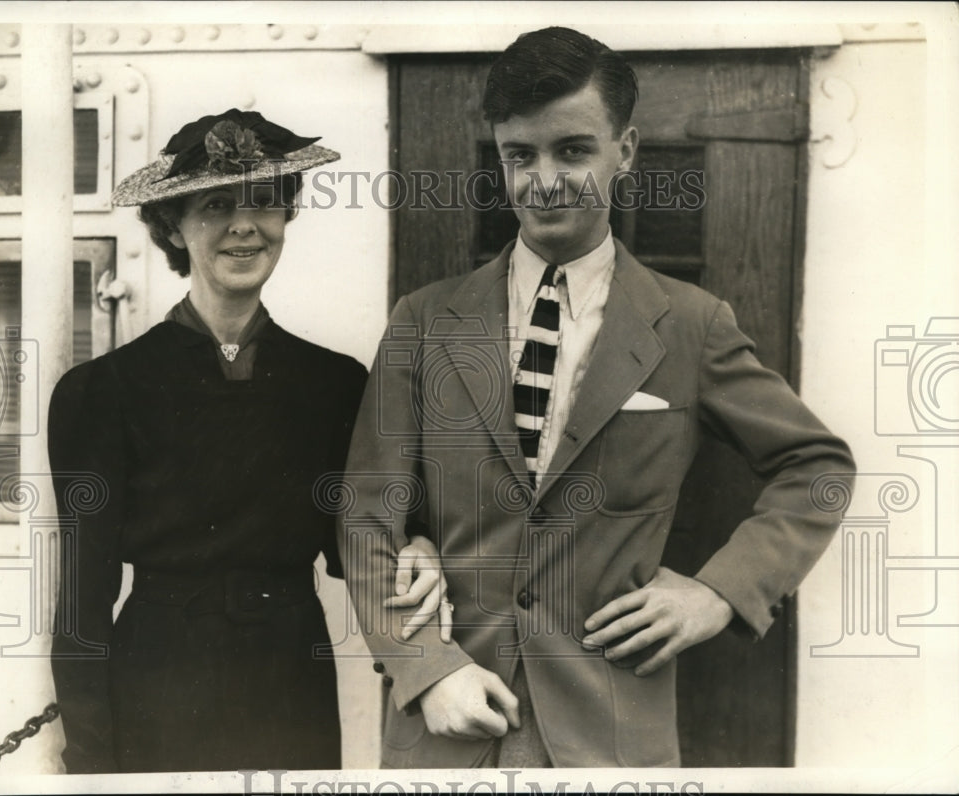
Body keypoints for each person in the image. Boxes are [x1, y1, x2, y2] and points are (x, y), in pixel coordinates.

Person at [340, 28, 856, 768]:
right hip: (447, 734)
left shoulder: (691, 325)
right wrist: (425, 667)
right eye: (520, 156)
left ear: (627, 150)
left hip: (612, 743)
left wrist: (718, 593)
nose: (544, 180)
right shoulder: (423, 321)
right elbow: (366, 514)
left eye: (573, 150)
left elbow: (818, 466)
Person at [48, 108, 449, 774]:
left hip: (290, 684)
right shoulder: (102, 392)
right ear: (172, 224)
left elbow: (363, 546)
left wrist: (421, 541)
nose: (244, 225)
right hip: (156, 689)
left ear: (286, 216)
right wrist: (89, 762)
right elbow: (82, 604)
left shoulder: (336, 384)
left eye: (264, 202)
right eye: (214, 205)